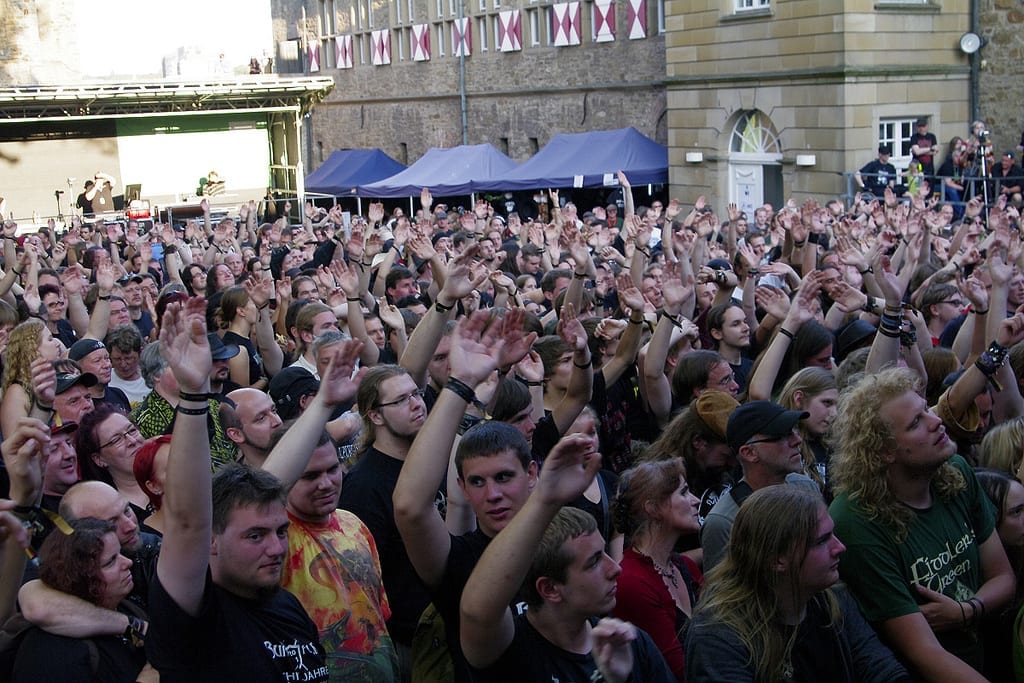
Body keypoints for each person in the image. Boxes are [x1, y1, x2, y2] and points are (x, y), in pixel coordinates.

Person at [144, 296, 329, 681]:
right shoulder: (195, 619)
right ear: (212, 540)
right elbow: (187, 522)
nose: (277, 548)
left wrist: (325, 403)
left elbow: (279, 478)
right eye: (255, 536)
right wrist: (193, 394)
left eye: (280, 531)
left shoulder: (288, 608)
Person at [829, 366, 1015, 680]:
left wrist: (965, 611)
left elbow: (1004, 578)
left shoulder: (955, 471)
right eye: (917, 422)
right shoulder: (855, 521)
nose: (937, 421)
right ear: (884, 451)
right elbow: (925, 653)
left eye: (926, 410)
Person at [459, 433, 674, 682]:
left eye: (604, 552)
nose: (615, 568)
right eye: (594, 561)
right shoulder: (511, 654)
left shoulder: (630, 644)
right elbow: (476, 613)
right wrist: (545, 499)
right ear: (550, 588)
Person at [685, 485, 911, 682]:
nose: (840, 547)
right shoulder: (718, 636)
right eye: (822, 540)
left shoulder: (833, 598)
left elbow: (880, 668)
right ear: (777, 560)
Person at [11, 519, 149, 683]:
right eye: (110, 561)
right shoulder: (57, 652)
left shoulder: (129, 606)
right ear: (80, 578)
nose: (128, 562)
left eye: (120, 553)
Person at [611, 458, 704, 681]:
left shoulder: (686, 567)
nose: (696, 500)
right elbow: (680, 673)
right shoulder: (632, 582)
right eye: (683, 493)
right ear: (652, 508)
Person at [701, 400, 815, 572]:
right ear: (749, 453)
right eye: (782, 435)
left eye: (794, 430)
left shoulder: (806, 487)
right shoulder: (724, 522)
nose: (797, 440)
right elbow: (723, 595)